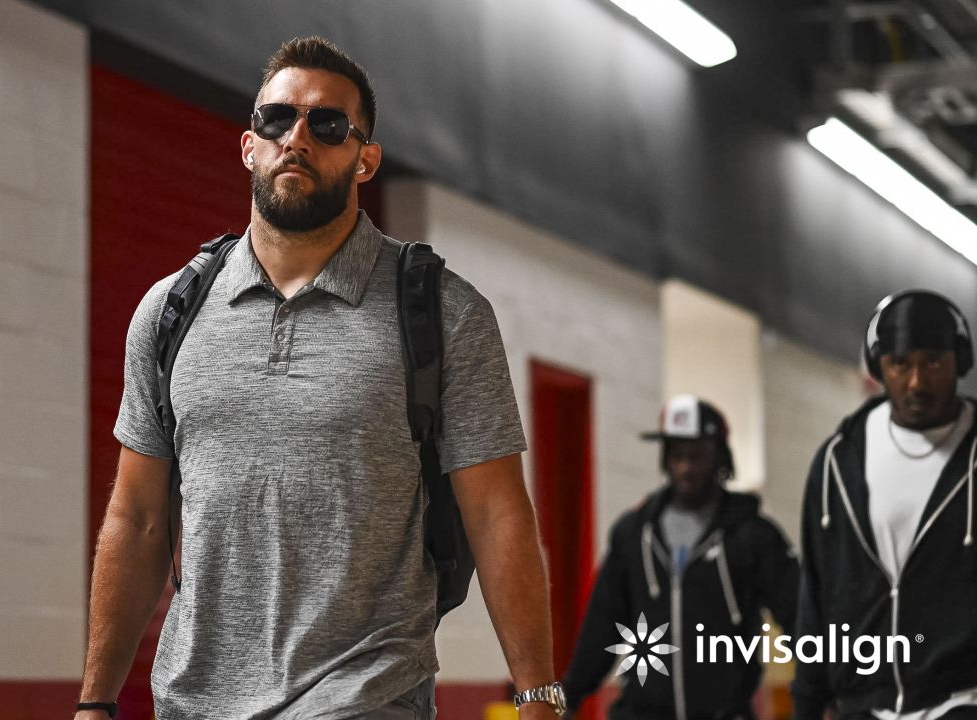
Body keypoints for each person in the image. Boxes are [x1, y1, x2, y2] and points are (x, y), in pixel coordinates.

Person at [74, 37, 564, 719]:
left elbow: (497, 511)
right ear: (249, 145)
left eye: (327, 124)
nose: (296, 137)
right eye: (277, 120)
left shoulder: (442, 312)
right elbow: (137, 516)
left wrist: (538, 692)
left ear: (366, 159)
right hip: (193, 700)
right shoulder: (169, 312)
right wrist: (95, 701)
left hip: (365, 697)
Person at [792, 290, 977, 720]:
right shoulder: (838, 461)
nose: (917, 381)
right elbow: (815, 596)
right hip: (864, 705)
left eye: (933, 360)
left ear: (959, 360)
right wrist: (806, 705)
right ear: (879, 368)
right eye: (901, 364)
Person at [562, 395, 799, 720]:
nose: (686, 467)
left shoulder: (752, 535)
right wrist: (571, 694)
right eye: (677, 456)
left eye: (697, 456)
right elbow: (602, 624)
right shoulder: (634, 534)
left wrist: (831, 680)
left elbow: (800, 614)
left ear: (720, 458)